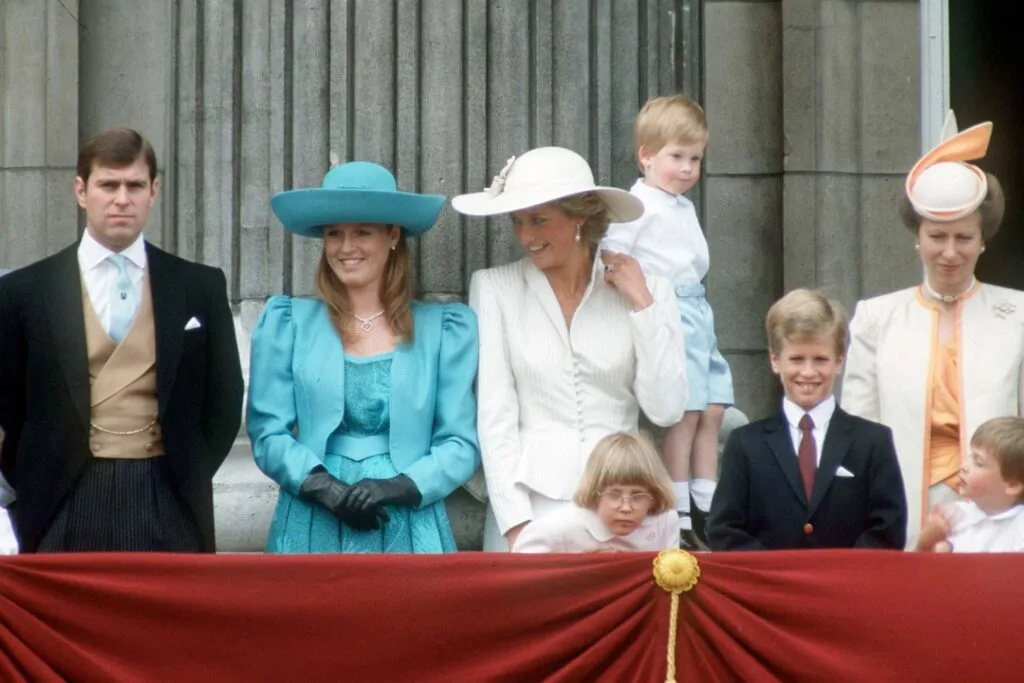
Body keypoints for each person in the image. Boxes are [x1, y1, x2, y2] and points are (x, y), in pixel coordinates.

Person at [0, 128, 243, 553]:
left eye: (134, 185)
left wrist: (187, 471)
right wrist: (39, 476)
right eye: (108, 185)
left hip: (168, 494)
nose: (121, 198)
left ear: (154, 191)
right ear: (81, 191)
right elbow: (9, 405)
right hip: (61, 499)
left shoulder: (199, 285)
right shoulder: (23, 292)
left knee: (167, 619)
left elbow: (223, 399)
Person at [452, 146, 689, 551]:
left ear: (581, 216)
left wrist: (644, 306)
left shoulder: (647, 286)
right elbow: (495, 417)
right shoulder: (494, 287)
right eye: (518, 221)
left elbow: (666, 409)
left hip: (626, 512)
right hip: (532, 508)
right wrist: (516, 528)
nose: (526, 236)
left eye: (540, 220)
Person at [247, 160, 480, 553]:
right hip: (312, 516)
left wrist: (400, 487)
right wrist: (323, 487)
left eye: (362, 232)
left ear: (393, 236)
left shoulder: (444, 330)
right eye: (334, 233)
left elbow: (460, 442)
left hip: (407, 518)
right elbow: (268, 432)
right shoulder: (287, 323)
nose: (345, 247)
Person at [842, 111, 1024, 546]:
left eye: (963, 238)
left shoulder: (1019, 314)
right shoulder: (875, 317)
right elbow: (858, 430)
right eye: (937, 236)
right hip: (900, 500)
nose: (949, 252)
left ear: (983, 239)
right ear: (917, 237)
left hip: (1000, 515)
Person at [603, 95, 733, 548]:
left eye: (695, 159)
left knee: (715, 407)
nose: (687, 169)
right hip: (671, 308)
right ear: (646, 156)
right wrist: (635, 289)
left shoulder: (682, 206)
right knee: (687, 410)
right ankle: (681, 512)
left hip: (698, 307)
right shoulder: (640, 201)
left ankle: (707, 497)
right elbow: (614, 250)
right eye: (676, 157)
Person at [707, 289, 907, 550]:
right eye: (797, 359)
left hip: (846, 587)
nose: (808, 372)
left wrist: (836, 579)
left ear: (839, 362)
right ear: (775, 360)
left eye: (820, 359)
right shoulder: (745, 443)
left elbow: (888, 528)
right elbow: (724, 530)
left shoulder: (872, 440)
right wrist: (779, 579)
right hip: (768, 588)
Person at [512, 432, 679, 553]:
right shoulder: (558, 528)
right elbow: (522, 575)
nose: (626, 507)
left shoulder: (664, 521)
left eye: (638, 496)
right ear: (594, 493)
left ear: (654, 496)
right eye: (614, 494)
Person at [917, 417, 1024, 553]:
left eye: (978, 463)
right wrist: (927, 541)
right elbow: (927, 569)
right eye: (970, 457)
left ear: (1012, 485)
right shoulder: (956, 516)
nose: (964, 467)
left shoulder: (1020, 528)